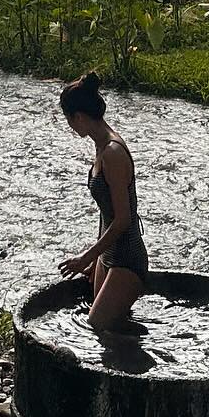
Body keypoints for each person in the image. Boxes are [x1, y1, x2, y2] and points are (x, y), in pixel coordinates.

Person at [57, 70, 149, 330]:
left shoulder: (113, 153)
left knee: (97, 325)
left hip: (127, 258)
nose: (70, 126)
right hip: (108, 256)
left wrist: (86, 256)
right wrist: (97, 259)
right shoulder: (100, 148)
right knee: (109, 325)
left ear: (79, 117)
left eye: (68, 119)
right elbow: (105, 212)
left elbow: (122, 220)